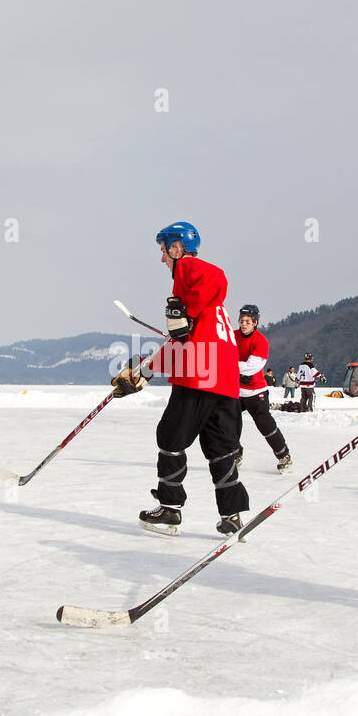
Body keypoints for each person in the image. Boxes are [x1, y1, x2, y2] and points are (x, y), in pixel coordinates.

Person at [134, 222, 249, 537]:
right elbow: (182, 341)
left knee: (170, 438)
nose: (162, 260)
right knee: (221, 449)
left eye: (163, 251)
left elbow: (215, 275)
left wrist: (188, 311)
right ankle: (232, 515)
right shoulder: (214, 309)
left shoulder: (189, 270)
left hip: (201, 377)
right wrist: (146, 370)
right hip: (225, 382)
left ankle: (170, 510)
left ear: (176, 248)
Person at [233, 304, 292, 473]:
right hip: (236, 391)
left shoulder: (260, 342)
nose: (244, 324)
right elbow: (219, 352)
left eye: (247, 322)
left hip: (255, 392)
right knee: (226, 422)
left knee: (264, 424)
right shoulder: (232, 336)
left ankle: (284, 455)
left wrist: (229, 366)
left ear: (255, 323)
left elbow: (251, 367)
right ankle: (235, 452)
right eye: (241, 321)